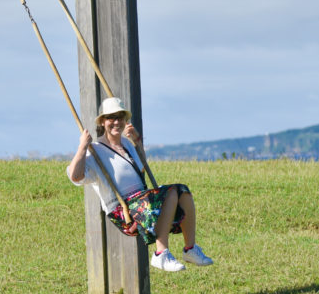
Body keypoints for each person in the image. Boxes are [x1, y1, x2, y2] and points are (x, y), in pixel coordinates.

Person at [67, 97, 214, 272]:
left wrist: (137, 142)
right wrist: (82, 147)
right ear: (102, 122)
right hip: (123, 211)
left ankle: (190, 249)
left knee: (183, 191)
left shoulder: (128, 146)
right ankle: (161, 254)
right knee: (171, 192)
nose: (116, 122)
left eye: (120, 117)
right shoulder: (96, 150)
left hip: (143, 202)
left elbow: (141, 170)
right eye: (111, 118)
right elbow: (75, 177)